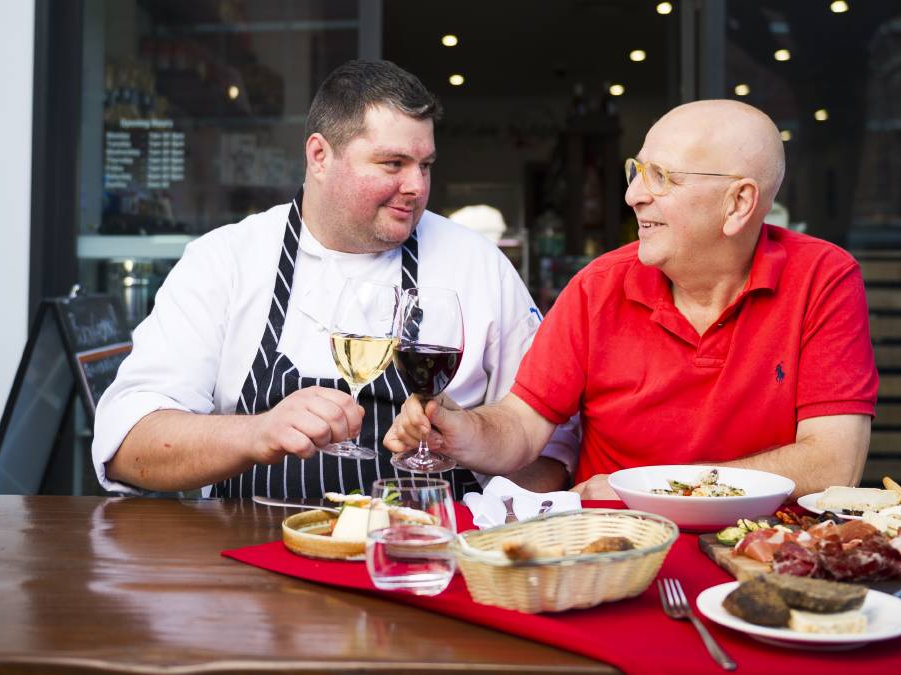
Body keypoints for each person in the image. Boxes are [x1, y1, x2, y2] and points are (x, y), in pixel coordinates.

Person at [92, 59, 573, 499]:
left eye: (425, 165)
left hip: (420, 568)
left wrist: (478, 453)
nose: (417, 187)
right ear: (319, 156)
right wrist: (257, 432)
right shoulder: (226, 261)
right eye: (393, 163)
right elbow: (127, 445)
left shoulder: (478, 265)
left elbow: (554, 449)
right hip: (247, 571)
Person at [384, 99, 879, 499]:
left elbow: (833, 463)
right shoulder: (598, 285)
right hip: (615, 551)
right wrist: (460, 429)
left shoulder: (822, 277)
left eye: (661, 177)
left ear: (739, 203)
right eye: (636, 172)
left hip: (760, 552)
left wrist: (651, 489)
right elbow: (521, 425)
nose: (633, 195)